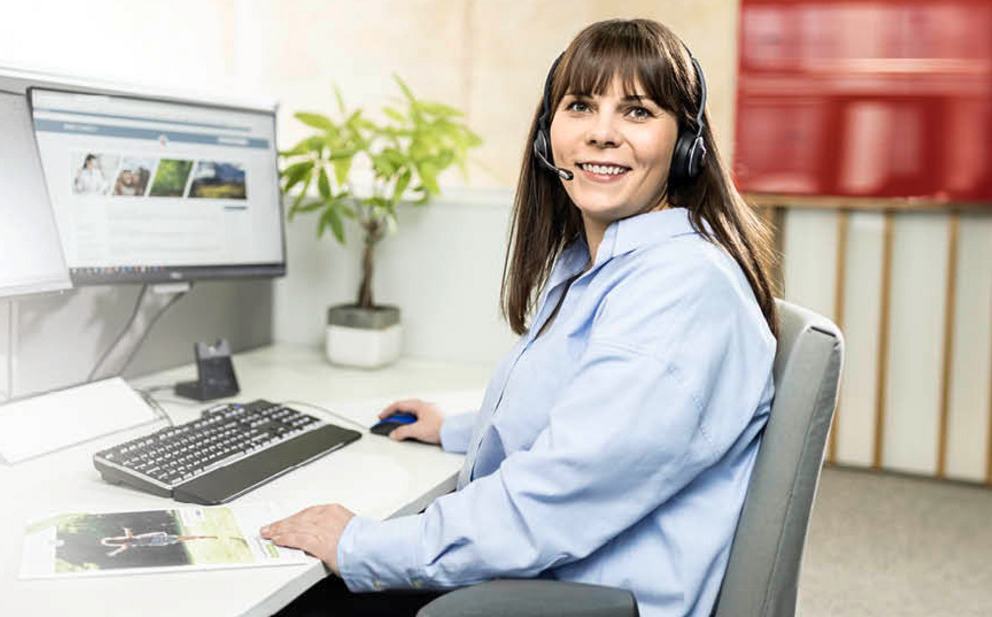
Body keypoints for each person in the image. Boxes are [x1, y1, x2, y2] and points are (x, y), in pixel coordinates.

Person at [262, 18, 779, 617]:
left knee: (286, 596)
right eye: (581, 105)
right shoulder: (603, 265)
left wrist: (361, 544)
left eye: (638, 112)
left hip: (579, 598)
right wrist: (459, 428)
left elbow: (555, 501)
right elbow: (588, 417)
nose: (602, 134)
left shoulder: (681, 289)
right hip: (550, 577)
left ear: (686, 144)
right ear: (546, 135)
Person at [99, 527, 218, 558]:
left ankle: (200, 537)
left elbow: (122, 547)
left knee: (179, 538)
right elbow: (129, 534)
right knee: (180, 538)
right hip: (155, 538)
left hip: (155, 542)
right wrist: (126, 530)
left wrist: (114, 553)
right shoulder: (127, 540)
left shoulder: (126, 543)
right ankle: (201, 537)